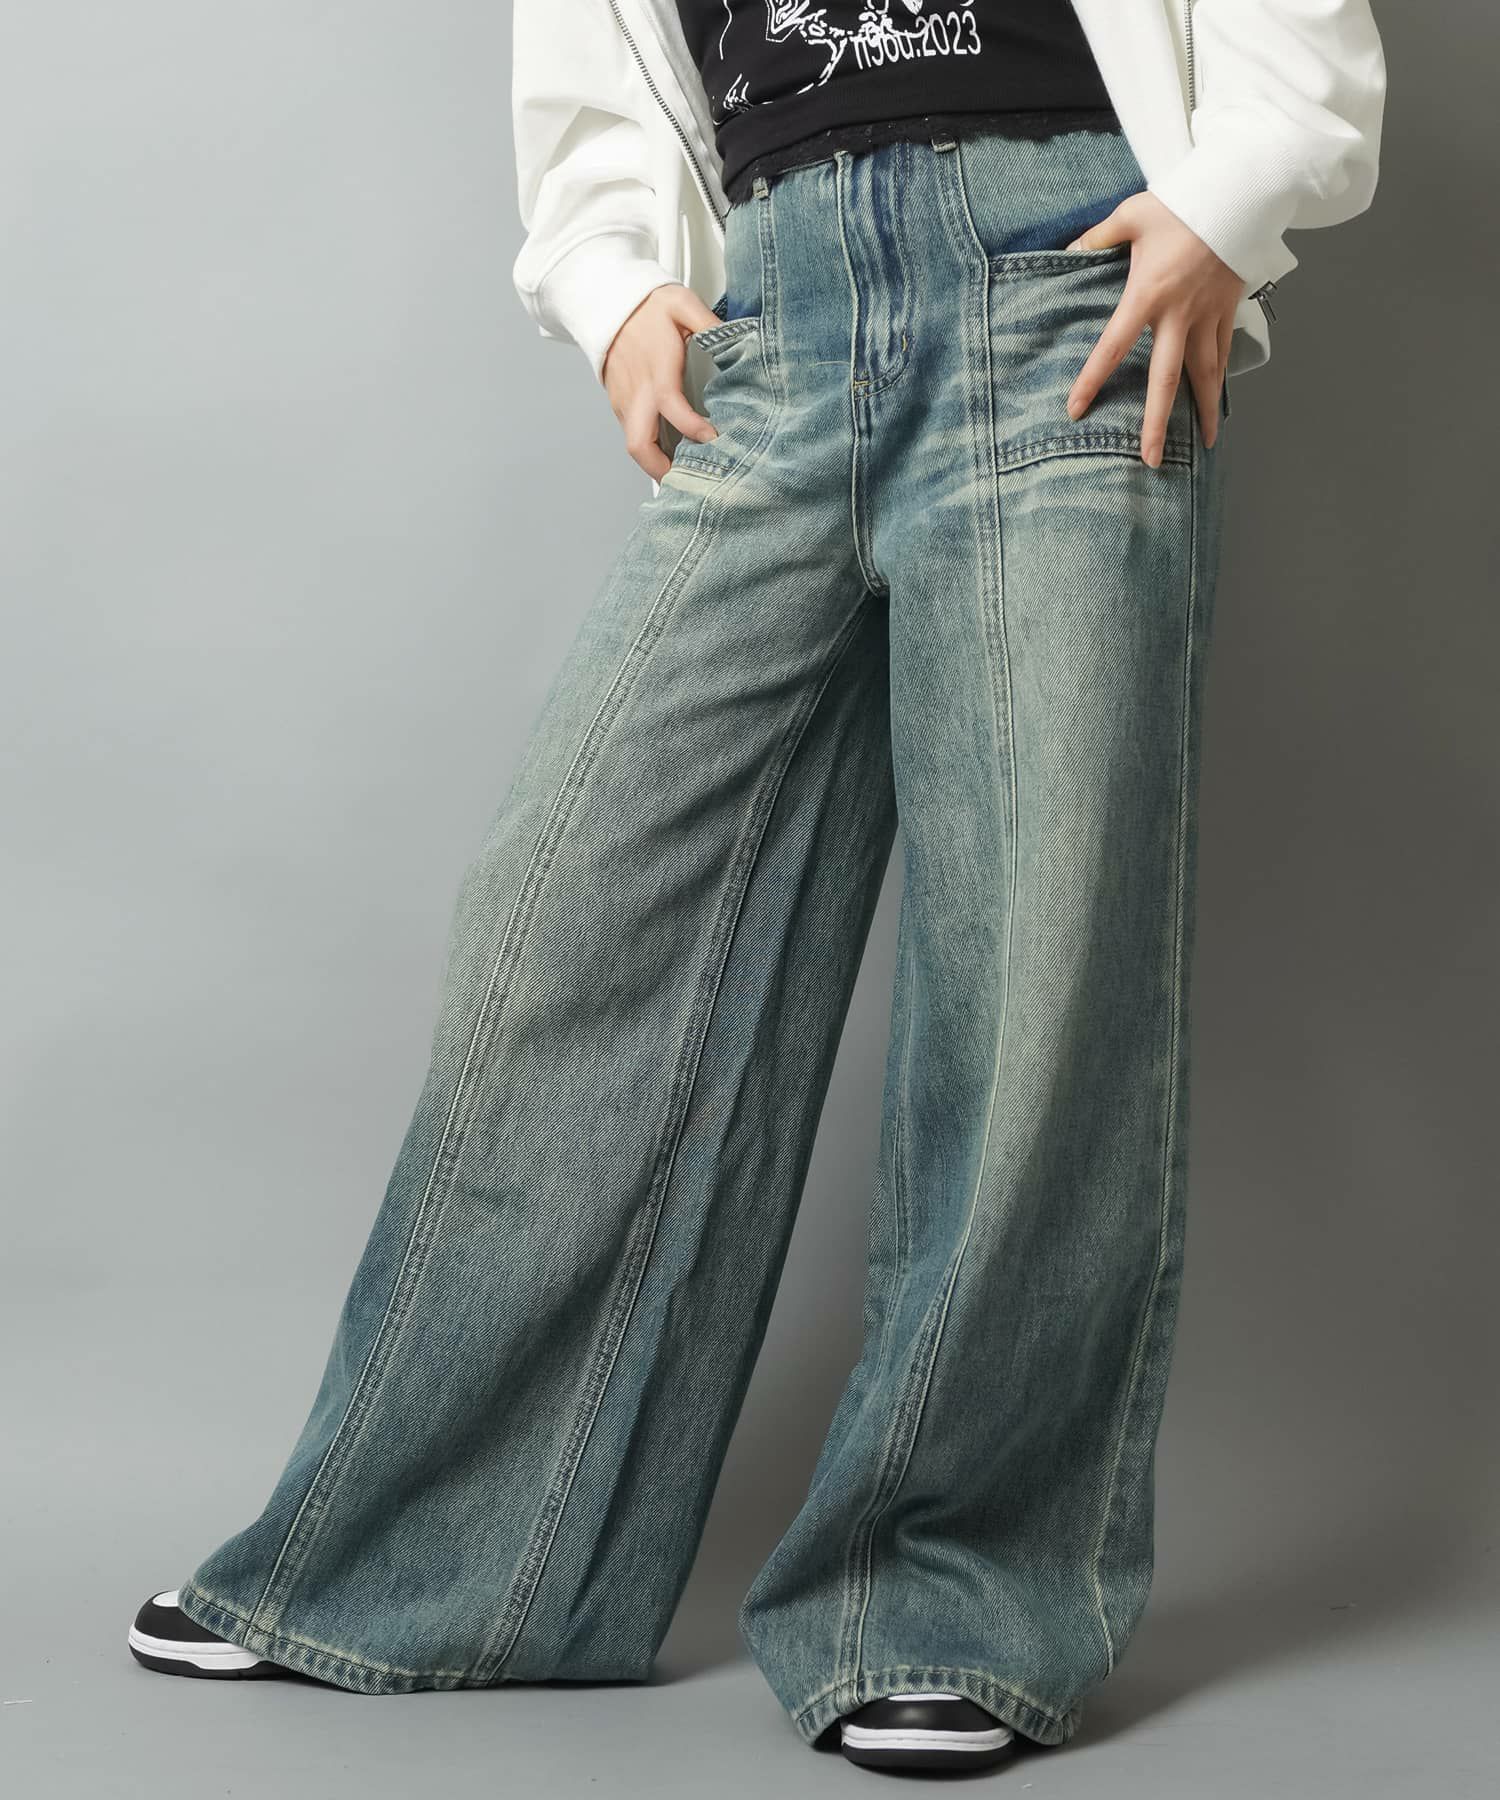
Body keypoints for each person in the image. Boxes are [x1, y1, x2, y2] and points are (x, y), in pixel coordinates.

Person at [128, 0, 1387, 1777]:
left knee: (1036, 964)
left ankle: (949, 1601)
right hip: (776, 323)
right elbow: (589, 83)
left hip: (1065, 280)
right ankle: (445, 1568)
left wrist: (1228, 200)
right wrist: (613, 292)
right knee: (569, 924)